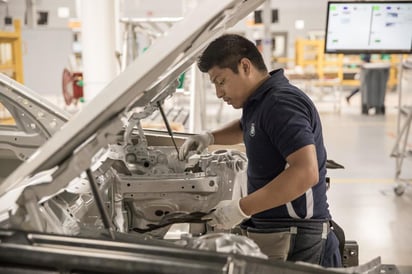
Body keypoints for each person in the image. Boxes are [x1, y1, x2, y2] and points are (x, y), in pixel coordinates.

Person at [178, 34, 342, 267]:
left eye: (221, 81)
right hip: (278, 230)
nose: (218, 93)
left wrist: (240, 208)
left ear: (245, 66)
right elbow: (248, 126)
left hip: (297, 238)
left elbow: (306, 172)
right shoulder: (260, 100)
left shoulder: (281, 103)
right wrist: (210, 137)